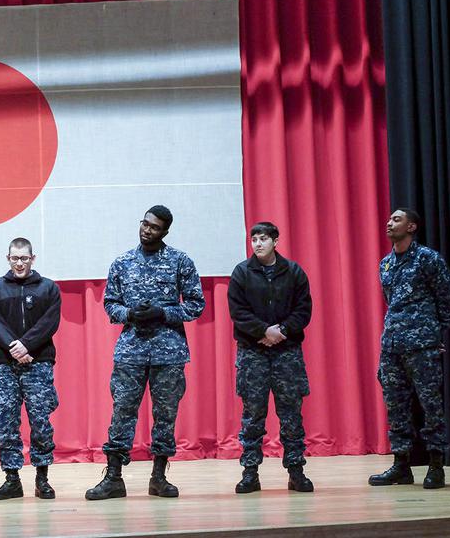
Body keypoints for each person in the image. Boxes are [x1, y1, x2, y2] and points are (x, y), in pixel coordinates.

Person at [86, 206, 206, 500]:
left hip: (169, 352)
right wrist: (130, 314)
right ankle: (114, 477)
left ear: (165, 232)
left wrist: (162, 313)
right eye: (144, 223)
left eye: (154, 227)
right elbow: (110, 304)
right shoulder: (122, 262)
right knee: (122, 412)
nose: (146, 230)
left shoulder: (180, 261)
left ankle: (159, 477)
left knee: (165, 415)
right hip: (131, 351)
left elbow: (195, 304)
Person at [369, 209, 450, 489]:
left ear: (412, 226)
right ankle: (401, 465)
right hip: (392, 344)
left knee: (431, 404)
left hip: (422, 345)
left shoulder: (427, 259)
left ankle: (435, 465)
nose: (389, 223)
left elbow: (449, 297)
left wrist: (435, 332)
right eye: (389, 219)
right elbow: (391, 302)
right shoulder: (385, 264)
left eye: (396, 220)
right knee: (395, 406)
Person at [226, 222, 314, 494]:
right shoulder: (241, 273)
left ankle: (296, 471)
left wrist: (282, 331)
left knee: (291, 415)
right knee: (253, 415)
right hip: (253, 352)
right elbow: (238, 312)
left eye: (263, 239)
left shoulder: (294, 272)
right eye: (254, 239)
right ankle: (250, 473)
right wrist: (263, 331)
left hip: (287, 353)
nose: (258, 244)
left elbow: (304, 310)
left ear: (276, 241)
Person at [0, 238, 61, 500]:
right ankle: (12, 479)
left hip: (38, 363)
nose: (19, 263)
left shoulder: (48, 288)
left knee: (41, 421)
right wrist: (13, 348)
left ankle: (42, 478)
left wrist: (26, 346)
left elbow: (49, 323)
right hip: (4, 364)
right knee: (6, 422)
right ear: (8, 258)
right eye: (15, 258)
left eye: (24, 258)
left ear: (33, 259)